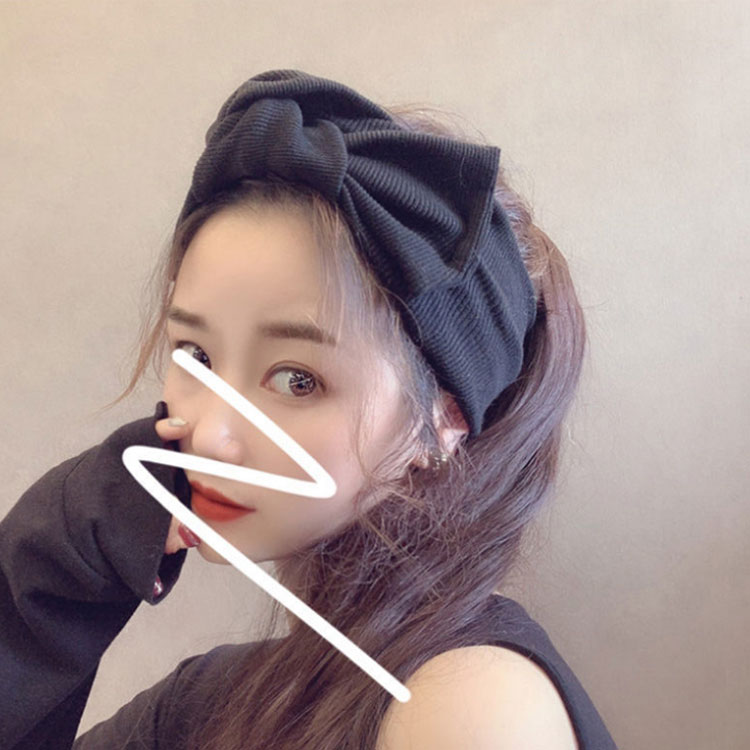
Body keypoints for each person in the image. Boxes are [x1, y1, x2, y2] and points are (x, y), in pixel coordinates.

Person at [0, 69, 617, 749]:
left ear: (443, 423)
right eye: (195, 356)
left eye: (297, 380)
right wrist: (66, 554)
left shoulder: (468, 708)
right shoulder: (208, 705)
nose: (211, 435)